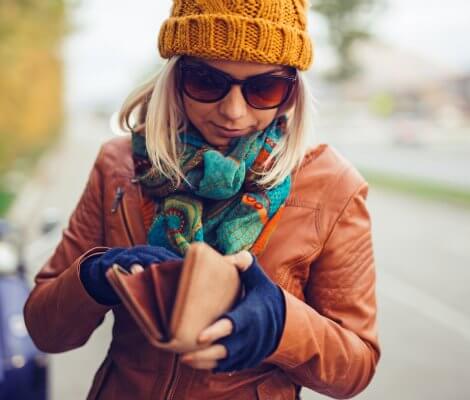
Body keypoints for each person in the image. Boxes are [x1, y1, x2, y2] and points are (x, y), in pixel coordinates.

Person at [23, 0, 381, 399]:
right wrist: (93, 276)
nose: (233, 111)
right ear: (175, 76)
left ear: (293, 91)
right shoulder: (118, 165)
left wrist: (282, 324)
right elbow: (44, 329)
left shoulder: (333, 185)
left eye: (265, 87)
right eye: (207, 82)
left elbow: (355, 367)